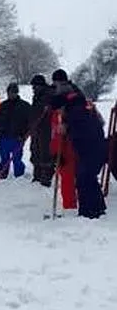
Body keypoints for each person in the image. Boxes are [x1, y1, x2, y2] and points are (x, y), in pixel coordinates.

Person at [49, 69, 107, 219]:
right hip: (91, 145)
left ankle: (89, 212)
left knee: (84, 179)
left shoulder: (76, 106)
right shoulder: (77, 102)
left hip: (91, 146)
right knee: (87, 177)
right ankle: (98, 208)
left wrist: (66, 125)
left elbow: (81, 123)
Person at [0, 82, 32, 178]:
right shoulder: (3, 105)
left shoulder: (25, 106)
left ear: (17, 93)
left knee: (17, 158)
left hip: (17, 137)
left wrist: (24, 134)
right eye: (9, 92)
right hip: (4, 137)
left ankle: (19, 175)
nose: (11, 94)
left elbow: (29, 122)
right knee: (4, 158)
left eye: (13, 92)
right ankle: (3, 174)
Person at [28, 74, 55, 186]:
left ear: (40, 85)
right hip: (36, 128)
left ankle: (46, 176)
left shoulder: (49, 95)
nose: (33, 89)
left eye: (35, 86)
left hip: (46, 128)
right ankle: (37, 174)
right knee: (35, 150)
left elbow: (45, 112)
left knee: (45, 151)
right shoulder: (37, 96)